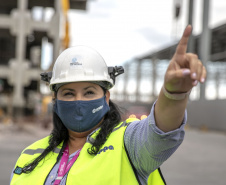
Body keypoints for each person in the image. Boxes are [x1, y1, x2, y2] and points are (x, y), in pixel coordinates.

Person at [10, 25, 206, 185]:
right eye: (68, 93)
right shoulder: (29, 155)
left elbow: (161, 133)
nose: (79, 101)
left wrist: (174, 94)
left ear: (106, 97)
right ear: (56, 101)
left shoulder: (129, 145)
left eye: (89, 92)